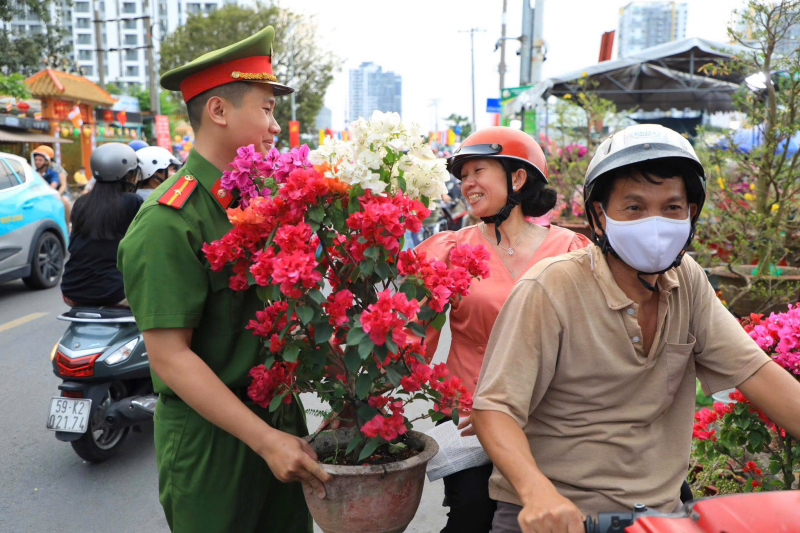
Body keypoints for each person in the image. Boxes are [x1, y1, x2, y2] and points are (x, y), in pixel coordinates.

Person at [470, 124, 800, 533]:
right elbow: (493, 409)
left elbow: (757, 372)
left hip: (661, 515)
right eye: (635, 208)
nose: (656, 224)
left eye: (673, 208)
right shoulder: (550, 287)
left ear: (691, 214)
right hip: (555, 514)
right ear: (599, 217)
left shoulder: (688, 280)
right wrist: (537, 493)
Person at [117, 26, 328, 533]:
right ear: (218, 111)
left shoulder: (258, 203)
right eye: (266, 108)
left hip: (277, 423)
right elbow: (170, 356)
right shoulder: (170, 219)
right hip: (215, 443)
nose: (276, 125)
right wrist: (264, 440)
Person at [413, 127, 590, 533]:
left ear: (518, 178)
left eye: (478, 171)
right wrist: (362, 400)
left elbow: (590, 339)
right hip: (467, 414)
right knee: (472, 514)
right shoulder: (448, 250)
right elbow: (410, 334)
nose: (467, 184)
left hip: (549, 415)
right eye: (463, 178)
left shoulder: (571, 251)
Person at [61, 143, 143, 307]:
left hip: (71, 291)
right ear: (128, 175)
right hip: (113, 293)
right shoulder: (132, 201)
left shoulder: (81, 203)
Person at [32, 145, 71, 226]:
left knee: (65, 202)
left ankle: (68, 226)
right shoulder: (35, 171)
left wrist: (57, 195)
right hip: (43, 193)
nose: (37, 162)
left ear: (47, 159)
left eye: (40, 159)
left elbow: (63, 185)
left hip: (59, 192)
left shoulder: (57, 169)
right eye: (36, 159)